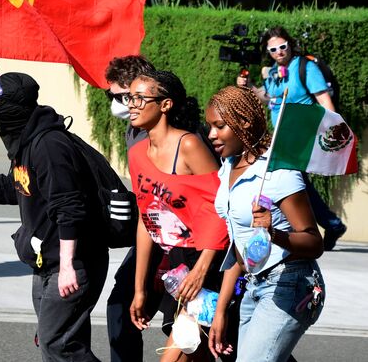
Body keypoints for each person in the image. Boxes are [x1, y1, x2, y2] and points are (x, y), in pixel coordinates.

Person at [0, 72, 108, 361]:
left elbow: (69, 208)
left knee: (58, 345)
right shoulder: (26, 142)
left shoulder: (49, 145)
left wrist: (67, 266)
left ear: (14, 108)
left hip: (73, 262)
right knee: (61, 343)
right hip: (46, 262)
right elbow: (17, 189)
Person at [205, 85, 325, 361]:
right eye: (210, 126)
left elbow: (314, 242)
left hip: (289, 283)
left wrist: (273, 233)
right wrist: (221, 310)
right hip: (252, 283)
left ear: (244, 122)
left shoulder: (278, 172)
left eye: (219, 126)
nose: (211, 134)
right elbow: (238, 245)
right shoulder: (228, 167)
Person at [126, 70, 229, 361]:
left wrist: (201, 270)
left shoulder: (189, 145)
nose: (131, 104)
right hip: (177, 264)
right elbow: (147, 220)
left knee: (182, 349)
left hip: (209, 261)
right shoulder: (136, 154)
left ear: (165, 104)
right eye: (129, 98)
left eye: (139, 98)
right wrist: (140, 288)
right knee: (199, 353)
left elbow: (222, 208)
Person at [237, 25, 347, 250]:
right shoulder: (274, 71)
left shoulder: (305, 67)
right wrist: (250, 87)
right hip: (281, 137)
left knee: (287, 179)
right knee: (297, 183)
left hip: (301, 136)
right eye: (273, 49)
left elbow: (324, 101)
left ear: (290, 45)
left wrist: (334, 132)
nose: (279, 52)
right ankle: (329, 224)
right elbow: (269, 98)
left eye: (283, 46)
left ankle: (307, 227)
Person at [104, 55, 171, 362]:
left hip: (180, 244)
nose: (122, 104)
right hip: (151, 231)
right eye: (117, 97)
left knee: (197, 331)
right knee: (121, 307)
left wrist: (167, 260)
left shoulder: (178, 138)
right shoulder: (134, 129)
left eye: (125, 96)